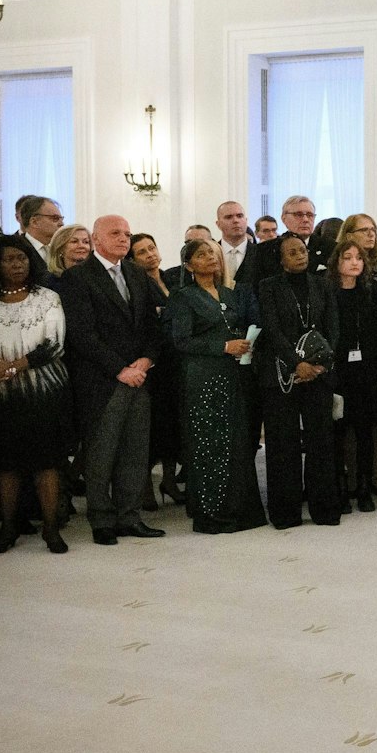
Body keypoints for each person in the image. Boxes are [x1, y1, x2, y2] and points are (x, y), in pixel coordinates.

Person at [0, 237, 73, 555]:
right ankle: (8, 529)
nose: (17, 264)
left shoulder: (47, 298)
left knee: (46, 463)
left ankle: (51, 530)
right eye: (9, 259)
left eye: (22, 258)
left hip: (42, 390)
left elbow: (55, 343)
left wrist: (17, 365)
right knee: (6, 464)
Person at [60, 215, 166, 545]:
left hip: (139, 375)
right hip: (102, 380)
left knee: (135, 451)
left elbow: (153, 324)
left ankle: (129, 516)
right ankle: (102, 519)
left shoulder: (135, 272)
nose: (124, 238)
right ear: (96, 239)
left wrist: (147, 360)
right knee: (101, 452)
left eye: (127, 233)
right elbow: (82, 333)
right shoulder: (77, 277)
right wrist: (121, 369)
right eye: (116, 233)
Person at [166, 240, 266, 534]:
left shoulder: (227, 294)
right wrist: (224, 346)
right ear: (189, 265)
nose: (210, 258)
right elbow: (181, 341)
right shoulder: (183, 297)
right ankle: (210, 511)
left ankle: (239, 509)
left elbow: (236, 326)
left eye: (212, 253)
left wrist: (245, 342)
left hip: (232, 375)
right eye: (201, 255)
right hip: (202, 377)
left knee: (235, 440)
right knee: (209, 442)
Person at [256, 233, 341, 528]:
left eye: (302, 250)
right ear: (281, 259)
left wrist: (318, 366)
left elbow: (333, 327)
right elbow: (272, 329)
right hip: (281, 375)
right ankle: (285, 513)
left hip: (318, 376)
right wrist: (298, 363)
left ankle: (325, 509)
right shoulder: (268, 287)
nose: (300, 255)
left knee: (321, 442)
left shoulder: (322, 284)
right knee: (283, 444)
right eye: (291, 252)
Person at [329, 239, 377, 513]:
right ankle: (340, 487)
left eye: (358, 258)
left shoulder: (372, 293)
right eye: (347, 257)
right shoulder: (327, 293)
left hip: (366, 370)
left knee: (364, 431)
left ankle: (363, 486)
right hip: (337, 370)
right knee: (338, 432)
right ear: (336, 263)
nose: (354, 262)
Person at [130, 233, 184, 509]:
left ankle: (170, 481)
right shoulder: (136, 284)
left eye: (152, 247)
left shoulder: (173, 278)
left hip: (177, 361)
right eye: (141, 252)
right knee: (152, 428)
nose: (150, 254)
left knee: (174, 426)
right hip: (153, 363)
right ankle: (145, 487)